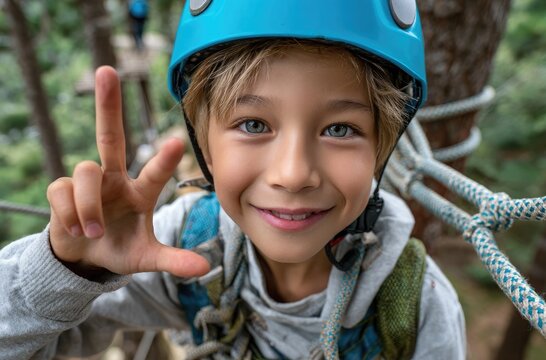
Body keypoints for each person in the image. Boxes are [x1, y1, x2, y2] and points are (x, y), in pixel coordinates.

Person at [0, 0, 466, 358]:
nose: (293, 174)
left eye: (340, 129)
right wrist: (67, 274)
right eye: (253, 124)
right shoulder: (183, 245)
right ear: (203, 145)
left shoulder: (418, 307)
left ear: (381, 151)